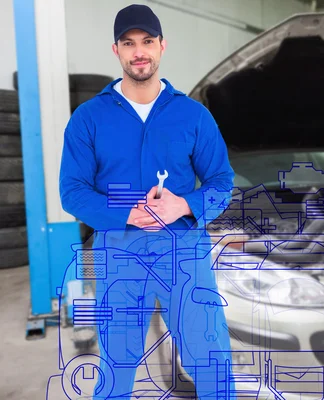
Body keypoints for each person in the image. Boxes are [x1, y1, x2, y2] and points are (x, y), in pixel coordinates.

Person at [59, 4, 235, 399]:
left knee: (211, 357)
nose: (139, 51)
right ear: (116, 50)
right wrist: (127, 215)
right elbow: (72, 192)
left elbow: (222, 182)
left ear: (162, 46)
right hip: (120, 250)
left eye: (147, 41)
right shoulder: (89, 118)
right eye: (129, 43)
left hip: (183, 250)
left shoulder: (193, 115)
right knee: (117, 363)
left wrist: (184, 205)